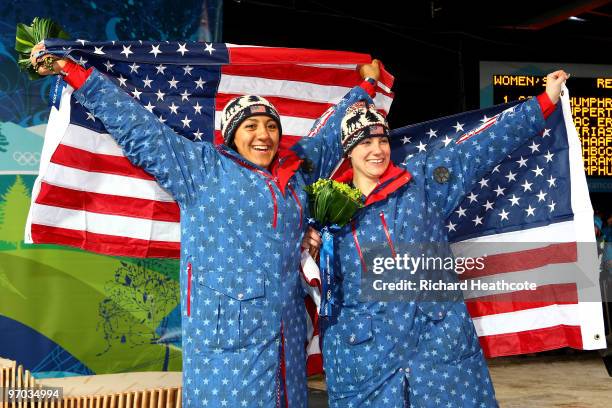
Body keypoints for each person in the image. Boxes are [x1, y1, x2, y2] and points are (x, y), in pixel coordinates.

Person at [30, 44, 382, 407]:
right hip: (225, 353)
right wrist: (73, 72)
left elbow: (329, 138)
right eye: (251, 126)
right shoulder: (202, 170)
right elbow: (138, 128)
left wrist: (365, 89)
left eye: (271, 126)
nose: (264, 134)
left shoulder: (296, 174)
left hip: (285, 346)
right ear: (231, 133)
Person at [313, 70, 568, 407]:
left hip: (437, 352)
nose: (376, 150)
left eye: (382, 140)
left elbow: (478, 148)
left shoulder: (422, 182)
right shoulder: (328, 210)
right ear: (348, 151)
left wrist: (542, 103)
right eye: (364, 142)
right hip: (368, 363)